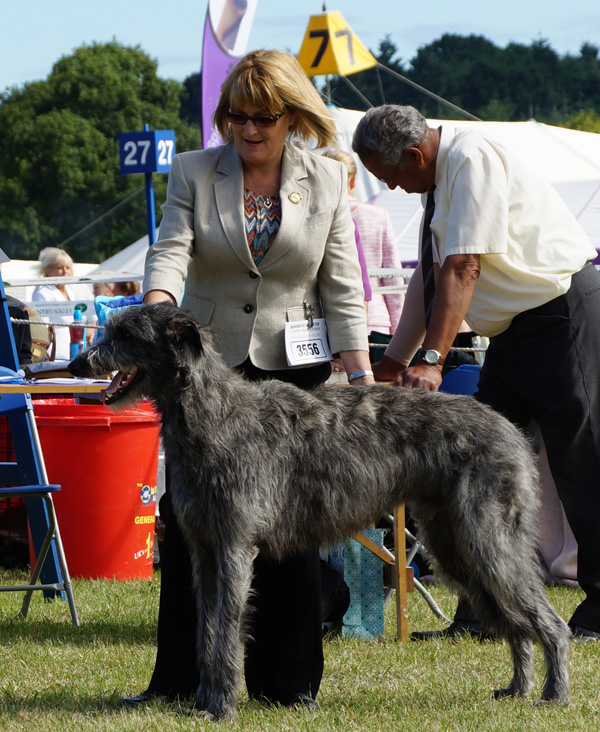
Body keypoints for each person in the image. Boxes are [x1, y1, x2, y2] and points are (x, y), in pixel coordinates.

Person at [123, 49, 373, 711]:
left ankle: (287, 684)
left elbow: (342, 284)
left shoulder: (326, 179)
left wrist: (362, 373)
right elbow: (172, 248)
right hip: (207, 370)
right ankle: (180, 678)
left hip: (296, 372)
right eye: (236, 116)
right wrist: (157, 309)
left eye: (263, 117)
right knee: (194, 529)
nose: (248, 129)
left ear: (293, 117)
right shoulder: (194, 172)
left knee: (291, 530)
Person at [352, 103, 600, 642]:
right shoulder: (438, 179)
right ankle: (484, 613)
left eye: (390, 176)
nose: (393, 189)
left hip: (562, 315)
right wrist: (392, 363)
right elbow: (430, 284)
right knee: (471, 467)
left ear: (415, 154)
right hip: (514, 334)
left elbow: (465, 267)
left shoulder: (472, 157)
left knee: (582, 462)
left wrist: (434, 360)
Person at [323, 149, 403, 336]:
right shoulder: (378, 216)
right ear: (353, 180)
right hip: (378, 321)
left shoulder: (314, 218)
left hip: (330, 321)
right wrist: (399, 332)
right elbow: (393, 279)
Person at [31, 247, 78, 360]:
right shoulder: (42, 293)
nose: (65, 272)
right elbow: (42, 329)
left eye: (68, 268)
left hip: (74, 350)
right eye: (60, 268)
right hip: (54, 353)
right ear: (48, 270)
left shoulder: (71, 292)